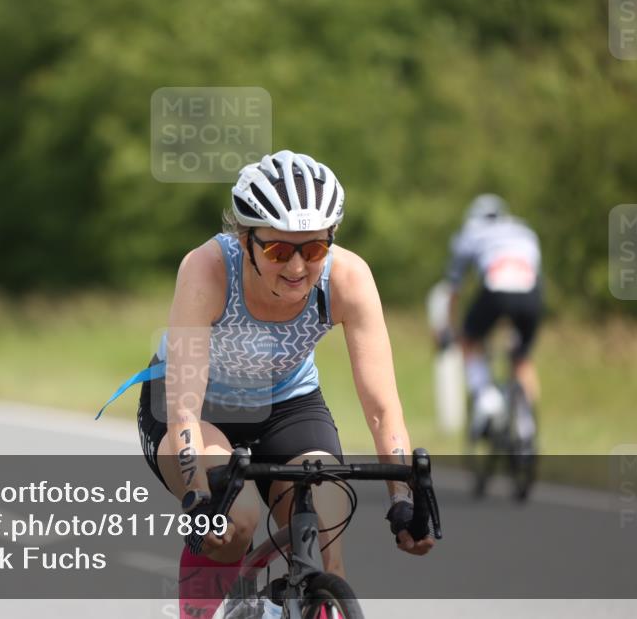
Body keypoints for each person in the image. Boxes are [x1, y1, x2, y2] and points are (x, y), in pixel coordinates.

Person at [101, 150, 433, 619]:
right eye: (278, 250)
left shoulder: (349, 278)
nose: (297, 267)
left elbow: (382, 408)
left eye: (314, 250)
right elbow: (184, 408)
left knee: (328, 526)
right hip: (199, 407)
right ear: (245, 239)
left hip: (287, 403)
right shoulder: (207, 269)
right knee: (235, 521)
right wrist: (200, 497)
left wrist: (403, 500)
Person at [442, 194, 543, 441]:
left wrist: (451, 328)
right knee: (522, 358)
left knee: (469, 340)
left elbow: (453, 288)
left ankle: (487, 400)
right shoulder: (524, 230)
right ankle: (527, 422)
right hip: (531, 295)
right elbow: (530, 275)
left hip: (495, 290)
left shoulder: (470, 232)